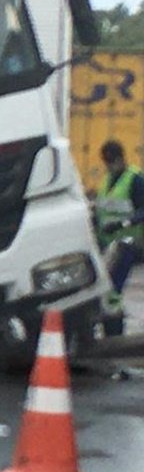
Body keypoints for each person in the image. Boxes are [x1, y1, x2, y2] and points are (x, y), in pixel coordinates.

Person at [95, 139, 144, 335]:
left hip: (129, 243)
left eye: (113, 162)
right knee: (104, 286)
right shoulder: (107, 180)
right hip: (108, 244)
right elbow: (103, 208)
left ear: (121, 159)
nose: (110, 166)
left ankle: (114, 330)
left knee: (112, 287)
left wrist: (125, 223)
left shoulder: (135, 180)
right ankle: (111, 323)